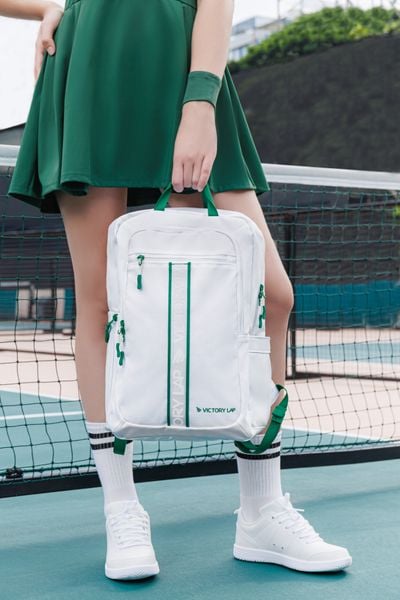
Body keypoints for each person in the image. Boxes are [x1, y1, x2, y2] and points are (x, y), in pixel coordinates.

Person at [4, 0, 352, 580]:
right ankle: (122, 509)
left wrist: (199, 102)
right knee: (101, 303)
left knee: (272, 295)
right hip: (89, 65)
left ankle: (262, 511)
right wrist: (54, 6)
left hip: (183, 69)